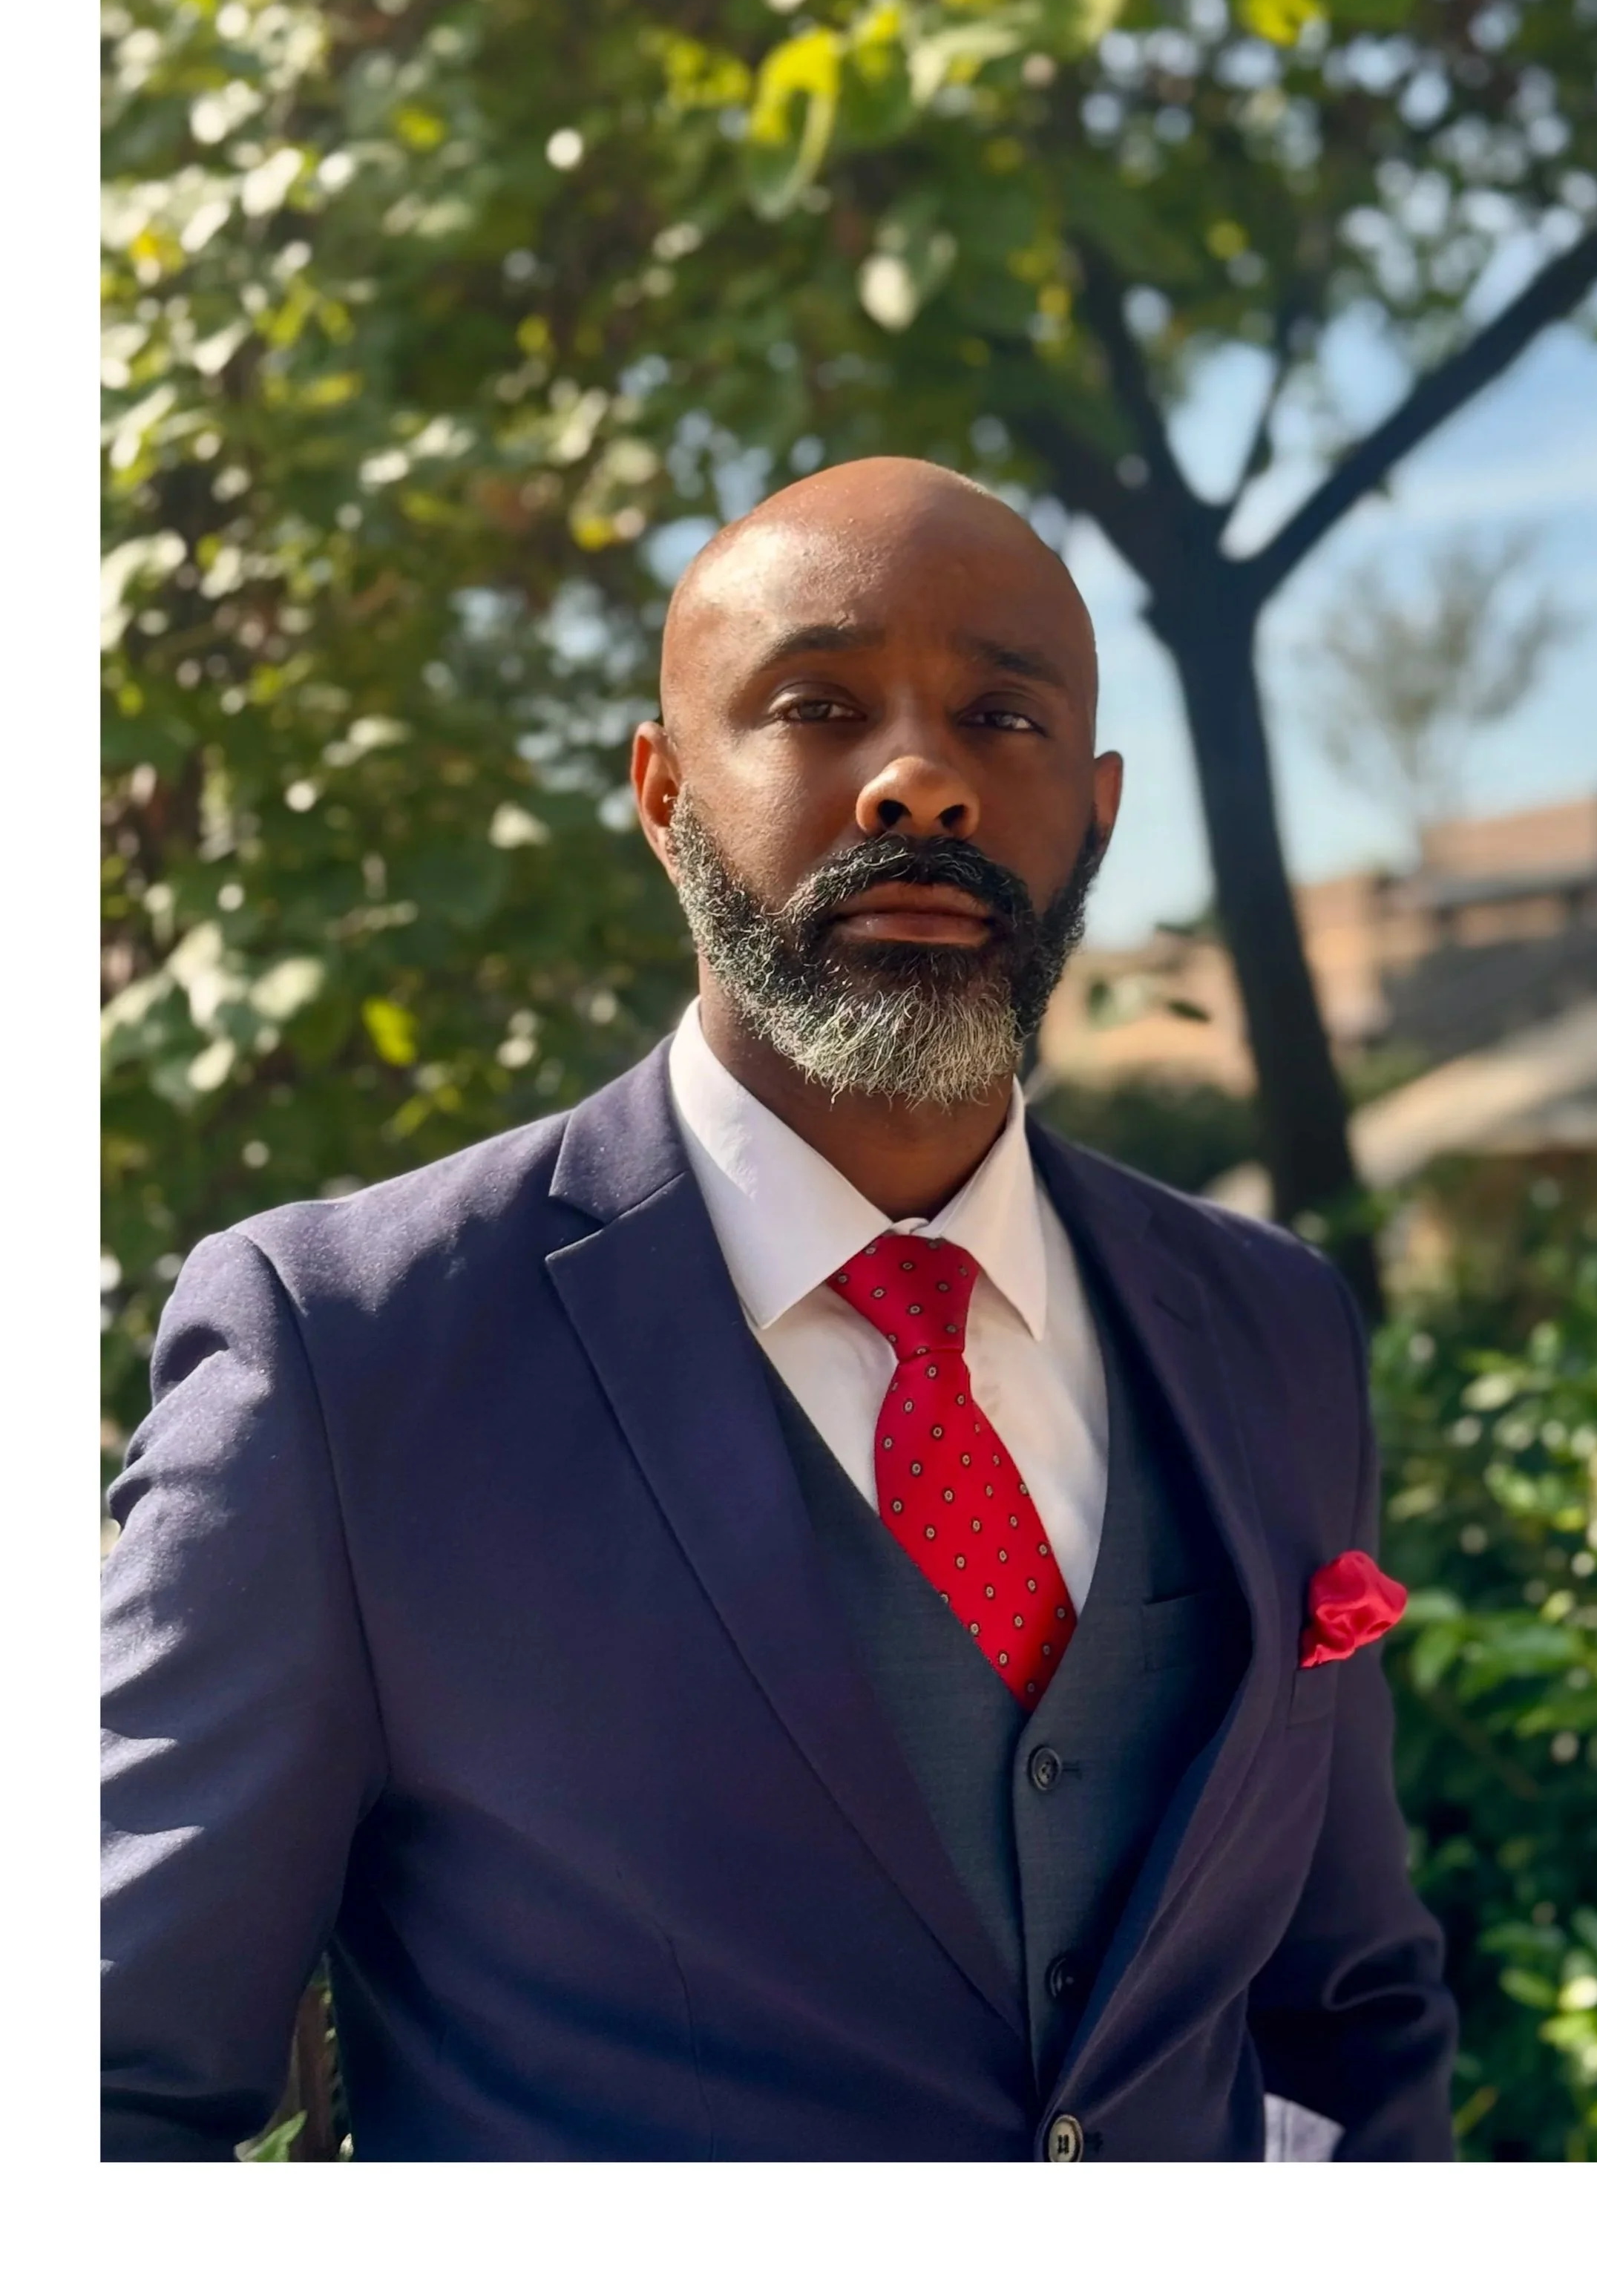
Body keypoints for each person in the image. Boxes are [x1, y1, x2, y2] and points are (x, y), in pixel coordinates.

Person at [101, 456, 1455, 2162]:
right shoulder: (345, 1355)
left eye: (1002, 719)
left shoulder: (1269, 1325)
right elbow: (107, 2088)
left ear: (1097, 811)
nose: (920, 783)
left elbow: (1345, 2005)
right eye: (816, 706)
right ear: (663, 795)